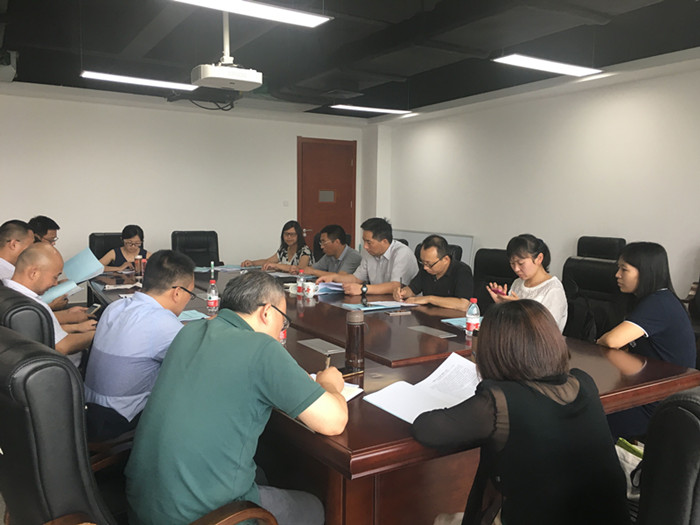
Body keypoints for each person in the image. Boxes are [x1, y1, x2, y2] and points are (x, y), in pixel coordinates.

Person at [125, 271, 348, 525]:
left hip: (143, 507)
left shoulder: (189, 331)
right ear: (267, 312)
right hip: (204, 518)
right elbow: (334, 421)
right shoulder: (263, 349)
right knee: (315, 507)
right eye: (283, 322)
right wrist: (329, 383)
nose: (281, 331)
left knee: (262, 471)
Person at [412, 300, 630, 525]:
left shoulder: (499, 401)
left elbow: (427, 429)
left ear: (495, 353)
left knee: (442, 520)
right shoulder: (584, 383)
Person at [84, 250, 196, 441]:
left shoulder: (115, 307)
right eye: (190, 294)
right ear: (177, 292)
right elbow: (196, 364)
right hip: (119, 420)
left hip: (89, 408)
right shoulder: (163, 324)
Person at [597, 241, 696, 438]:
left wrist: (600, 340)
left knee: (587, 413)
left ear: (645, 272)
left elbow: (612, 341)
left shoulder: (659, 303)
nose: (617, 275)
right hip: (645, 389)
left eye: (624, 269)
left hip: (658, 404)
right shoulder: (652, 300)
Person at [2, 244, 96, 368]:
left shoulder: (6, 291)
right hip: (69, 368)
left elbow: (38, 333)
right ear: (34, 273)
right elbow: (63, 346)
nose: (55, 283)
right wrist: (98, 335)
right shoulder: (33, 306)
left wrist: (76, 327)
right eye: (55, 277)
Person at [486, 233, 567, 331]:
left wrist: (521, 308)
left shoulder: (553, 289)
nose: (516, 269)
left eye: (521, 263)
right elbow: (510, 324)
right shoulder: (518, 283)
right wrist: (502, 306)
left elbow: (547, 330)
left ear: (539, 259)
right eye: (512, 263)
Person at [317, 217, 418, 295]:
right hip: (378, 301)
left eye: (369, 242)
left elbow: (395, 286)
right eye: (364, 241)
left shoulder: (402, 253)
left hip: (404, 306)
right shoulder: (370, 252)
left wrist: (363, 289)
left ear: (384, 241)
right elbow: (356, 279)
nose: (365, 246)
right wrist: (334, 277)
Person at [394, 234, 473, 310]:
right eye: (423, 262)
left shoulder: (462, 271)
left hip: (451, 317)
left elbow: (463, 304)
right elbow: (412, 289)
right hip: (428, 315)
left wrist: (429, 299)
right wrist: (402, 293)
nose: (425, 267)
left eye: (429, 264)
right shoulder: (426, 269)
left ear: (445, 259)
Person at [241, 220, 313, 272]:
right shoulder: (284, 250)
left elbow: (300, 269)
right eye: (286, 234)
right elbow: (268, 261)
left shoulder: (305, 251)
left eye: (292, 234)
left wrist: (276, 266)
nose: (289, 237)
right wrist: (252, 263)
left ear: (299, 235)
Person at [295, 224, 361, 277]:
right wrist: (298, 269)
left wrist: (313, 272)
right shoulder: (329, 256)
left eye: (324, 242)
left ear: (337, 242)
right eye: (321, 242)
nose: (321, 246)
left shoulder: (353, 256)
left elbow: (341, 276)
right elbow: (311, 269)